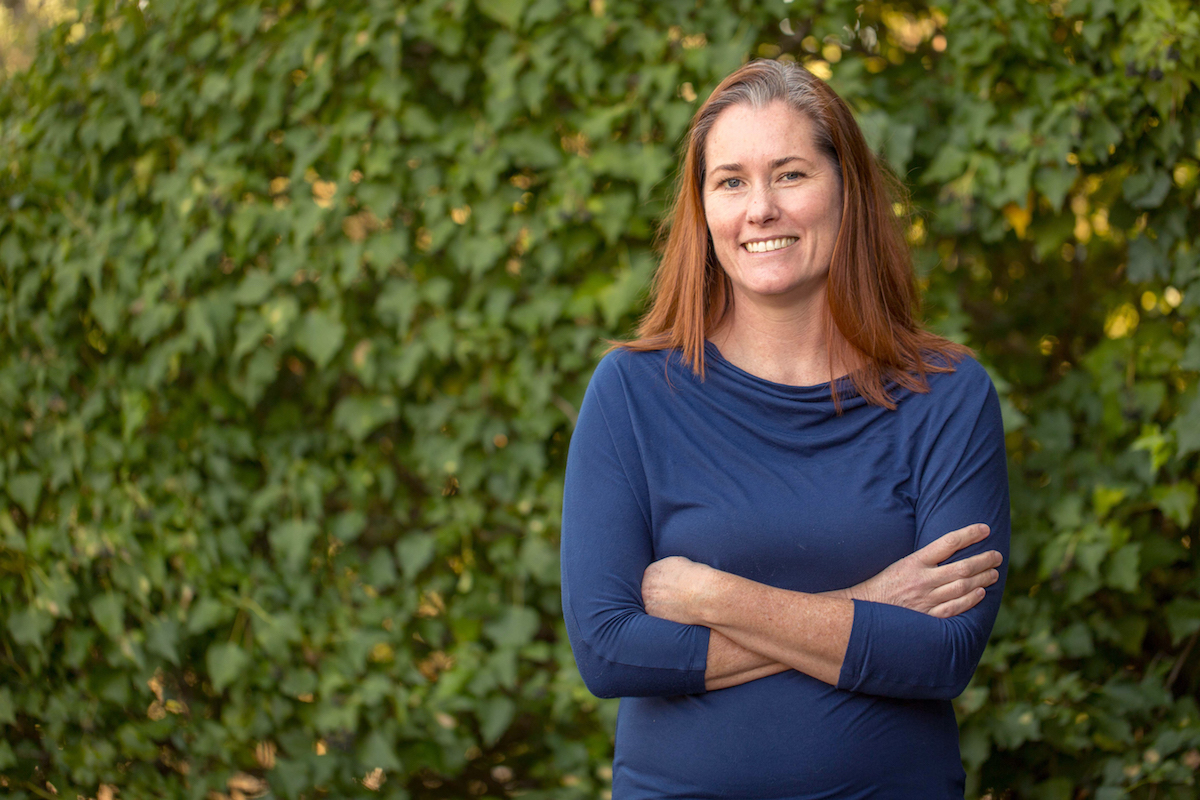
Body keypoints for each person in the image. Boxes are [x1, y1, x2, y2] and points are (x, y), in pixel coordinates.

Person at [560, 59, 1010, 799]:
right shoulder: (634, 394)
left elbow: (944, 654)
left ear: (847, 190)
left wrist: (710, 596)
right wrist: (870, 603)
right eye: (730, 181)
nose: (759, 208)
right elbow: (610, 651)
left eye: (791, 174)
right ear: (703, 209)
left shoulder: (946, 394)